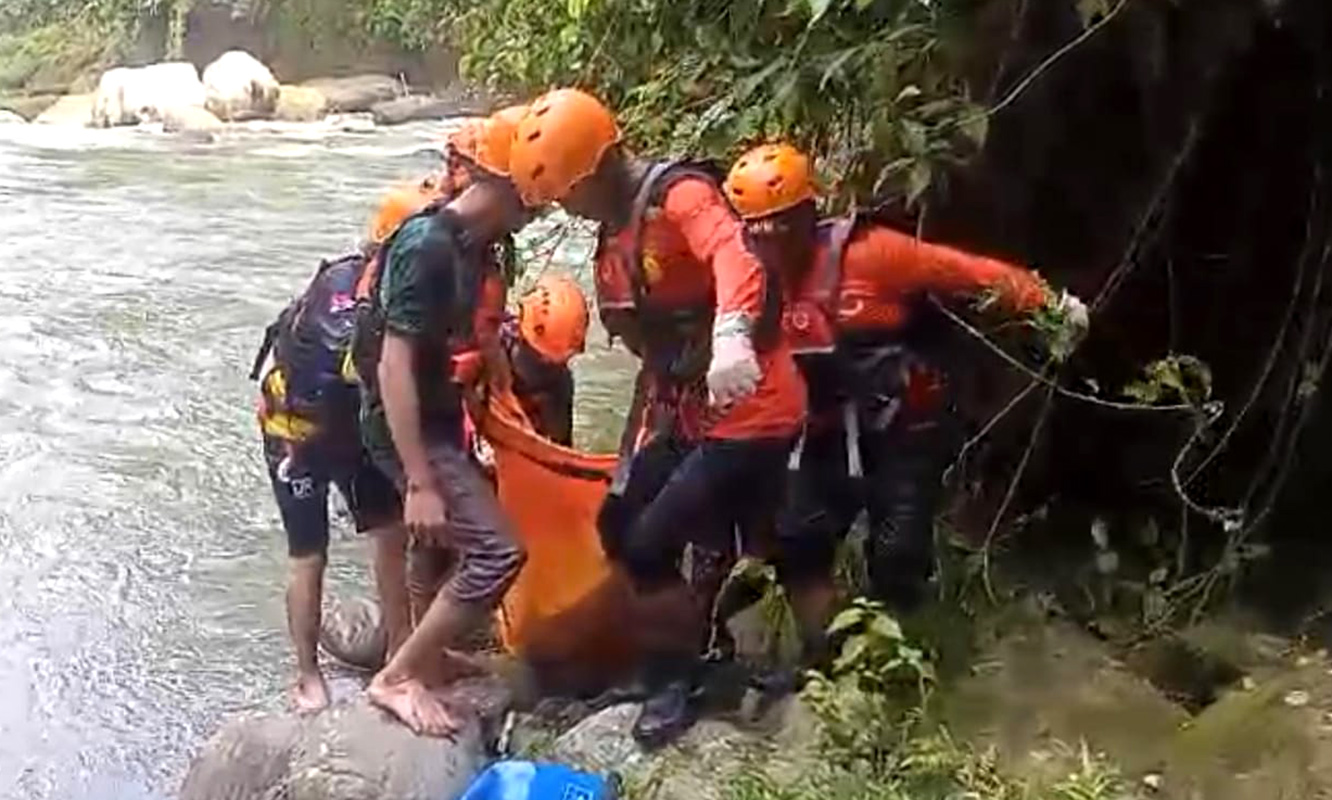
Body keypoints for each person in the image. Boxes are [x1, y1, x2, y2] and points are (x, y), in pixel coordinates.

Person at [508, 89, 808, 746]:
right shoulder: (616, 232)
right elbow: (653, 346)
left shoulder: (680, 197)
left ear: (602, 166)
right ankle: (676, 654)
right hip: (689, 407)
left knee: (651, 540)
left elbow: (733, 254)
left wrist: (730, 332)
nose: (564, 205)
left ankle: (676, 679)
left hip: (752, 405)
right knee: (619, 523)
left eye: (567, 191)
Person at [723, 142, 1088, 667]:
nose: (767, 238)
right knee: (802, 543)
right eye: (754, 227)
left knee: (897, 556)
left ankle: (900, 662)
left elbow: (965, 272)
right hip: (825, 429)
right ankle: (822, 664)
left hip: (904, 428)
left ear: (807, 212)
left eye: (778, 223)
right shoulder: (752, 281)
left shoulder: (872, 255)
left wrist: (1047, 305)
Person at [352, 105, 531, 737]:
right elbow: (392, 368)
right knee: (498, 550)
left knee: (441, 547)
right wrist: (421, 481)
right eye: (536, 190)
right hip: (404, 424)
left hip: (435, 414)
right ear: (507, 183)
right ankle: (396, 676)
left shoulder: (475, 246)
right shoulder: (427, 244)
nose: (543, 206)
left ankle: (422, 662)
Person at [252, 180, 446, 713]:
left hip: (313, 429)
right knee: (359, 545)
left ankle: (331, 674)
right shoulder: (391, 305)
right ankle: (371, 664)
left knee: (325, 549)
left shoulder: (337, 274)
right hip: (326, 433)